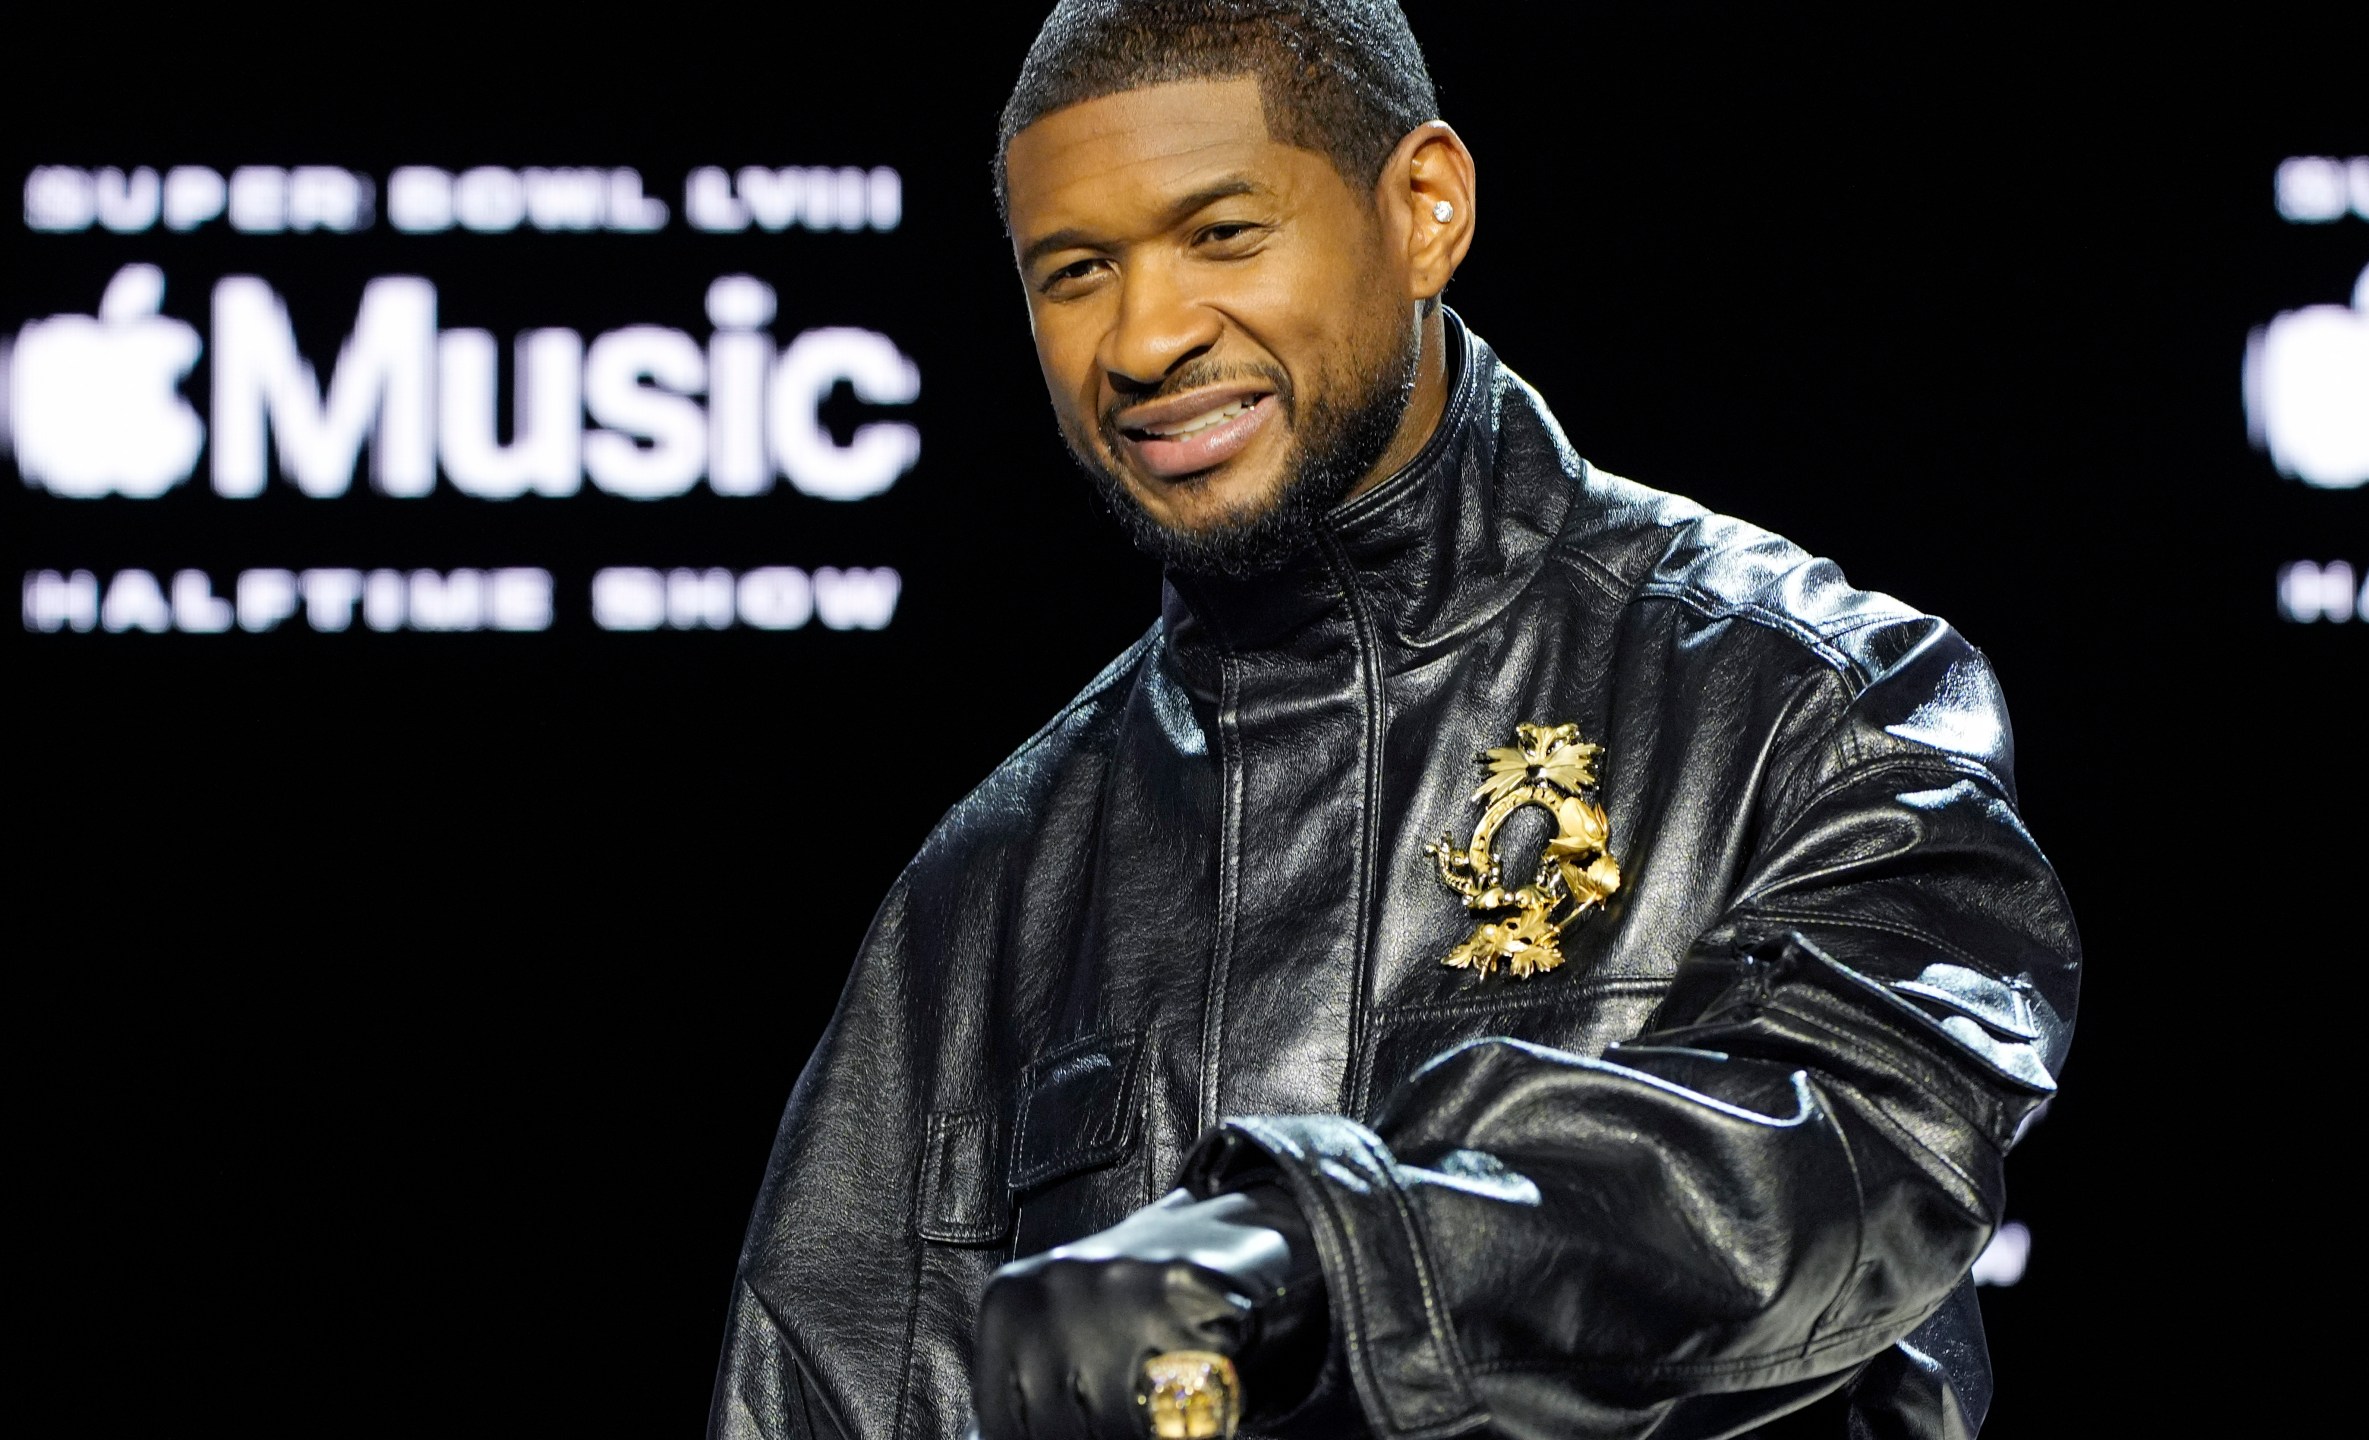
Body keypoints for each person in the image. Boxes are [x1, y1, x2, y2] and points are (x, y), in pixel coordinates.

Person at [710, 3, 2079, 1436]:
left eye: (1223, 233)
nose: (1146, 334)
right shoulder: (979, 901)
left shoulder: (1807, 702)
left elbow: (1860, 1152)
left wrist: (1314, 1247)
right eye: (1076, 271)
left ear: (1424, 209)